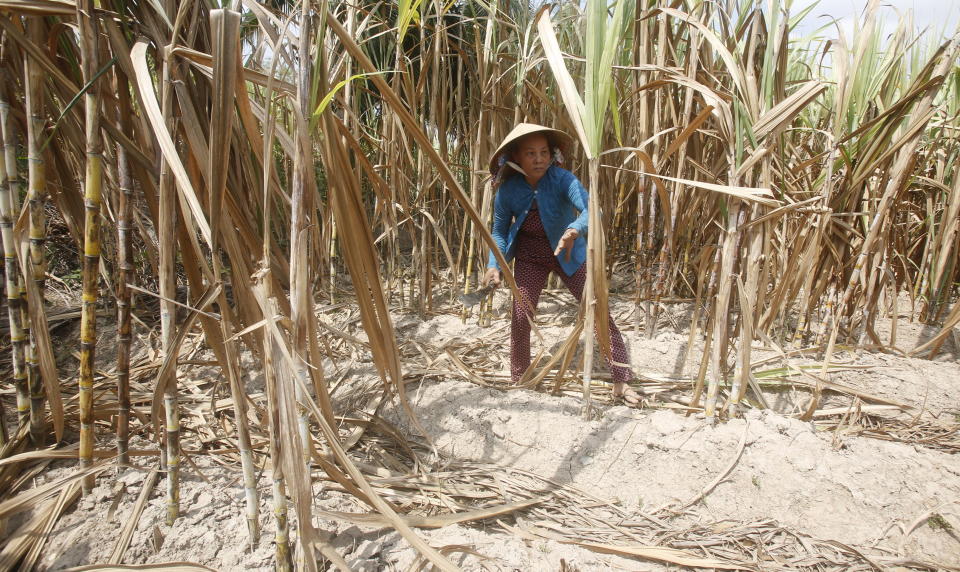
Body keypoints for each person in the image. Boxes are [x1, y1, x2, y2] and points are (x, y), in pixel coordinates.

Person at [482, 123, 639, 405]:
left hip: (568, 254)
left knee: (596, 307)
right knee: (521, 315)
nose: (539, 158)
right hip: (530, 257)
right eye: (531, 153)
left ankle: (621, 379)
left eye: (544, 152)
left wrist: (574, 230)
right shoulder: (507, 191)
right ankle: (519, 378)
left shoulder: (563, 180)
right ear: (516, 157)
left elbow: (593, 210)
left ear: (551, 154)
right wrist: (494, 264)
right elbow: (499, 231)